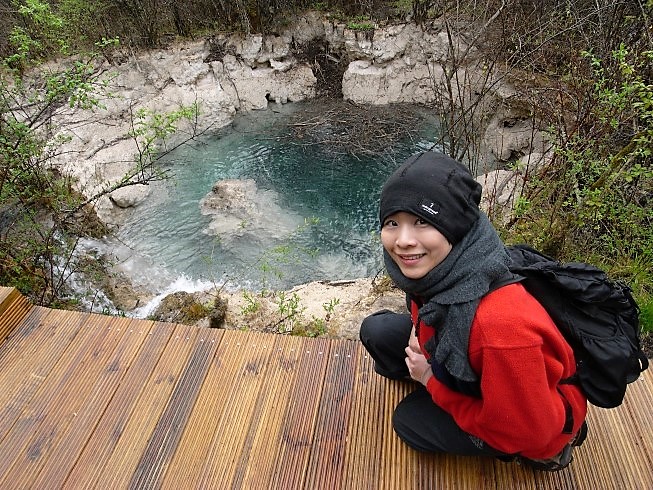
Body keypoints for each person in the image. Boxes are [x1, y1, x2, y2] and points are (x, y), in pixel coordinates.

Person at [360, 151, 588, 471]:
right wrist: (417, 332)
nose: (403, 241)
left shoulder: (500, 327)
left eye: (422, 221)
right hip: (478, 359)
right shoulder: (447, 265)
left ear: (453, 225)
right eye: (392, 223)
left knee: (410, 421)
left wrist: (430, 381)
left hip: (538, 425)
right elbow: (424, 308)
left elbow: (530, 432)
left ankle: (551, 455)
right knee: (377, 330)